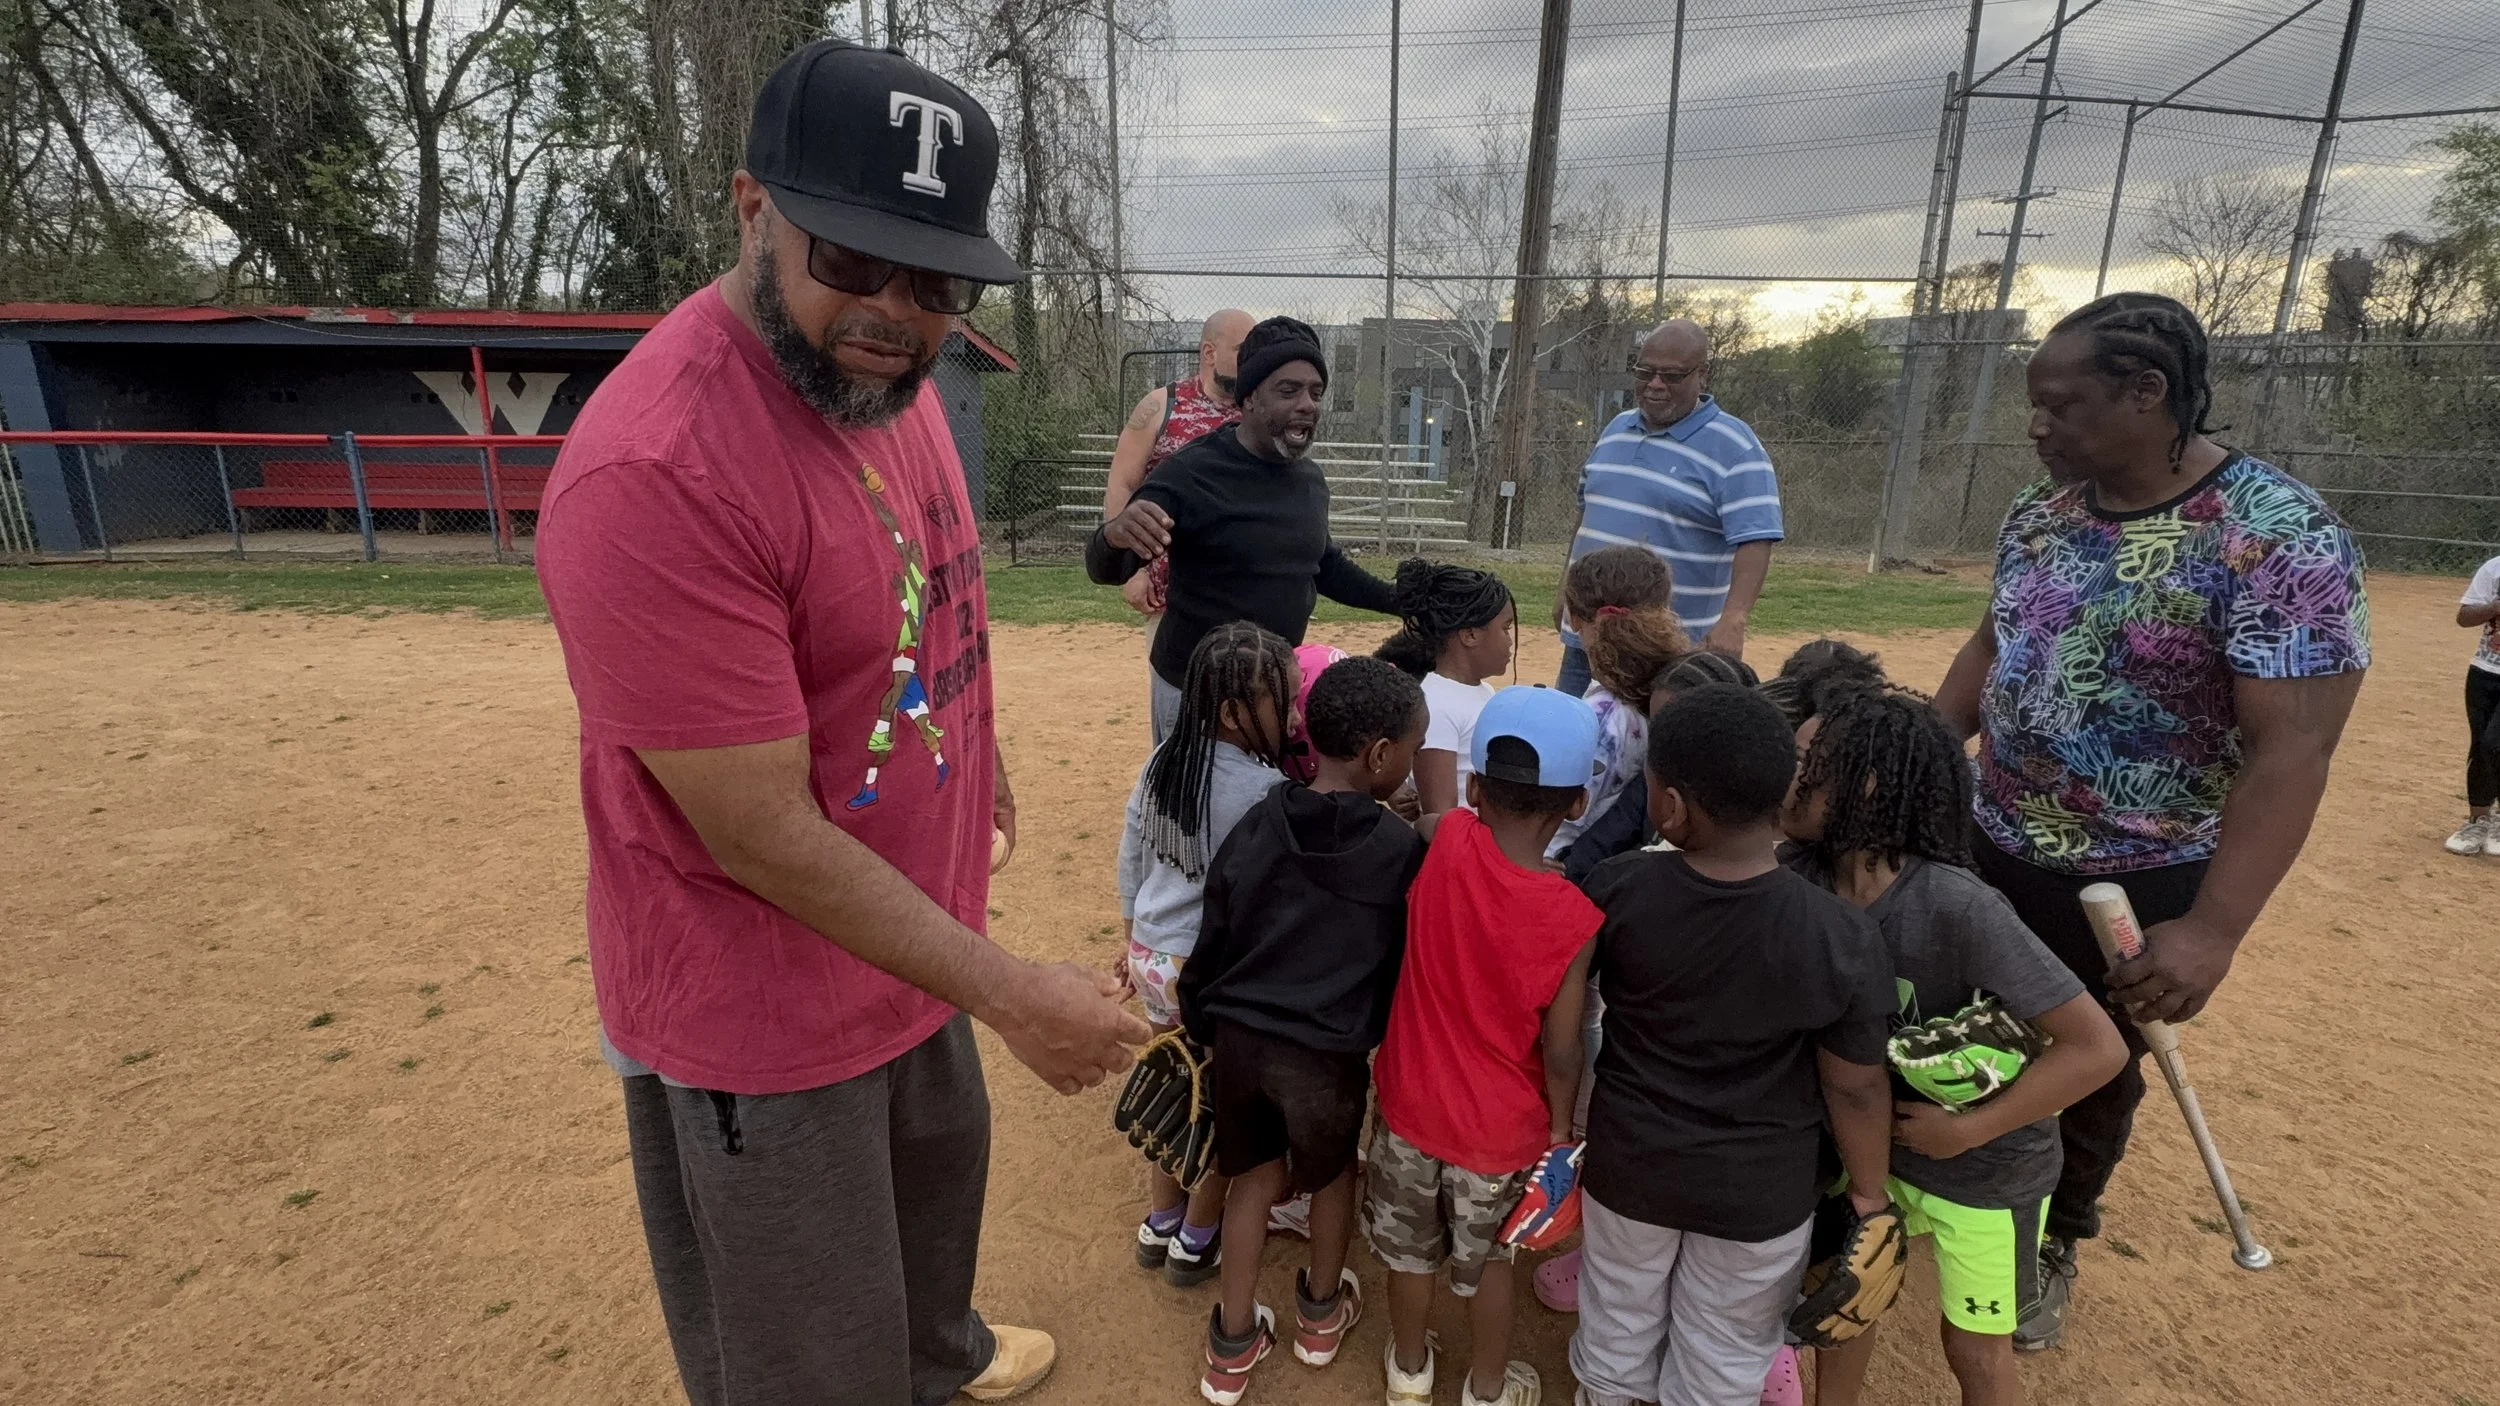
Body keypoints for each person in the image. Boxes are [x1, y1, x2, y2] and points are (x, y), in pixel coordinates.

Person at [535, 40, 1145, 1405]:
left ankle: (942, 1356)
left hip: (910, 949)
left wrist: (973, 770)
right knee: (810, 1352)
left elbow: (930, 601)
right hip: (766, 1010)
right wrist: (1009, 996)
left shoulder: (885, 378)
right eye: (854, 261)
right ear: (754, 212)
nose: (893, 310)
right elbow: (754, 832)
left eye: (934, 280)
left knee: (930, 1243)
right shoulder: (660, 467)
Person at [1933, 292, 2370, 1350]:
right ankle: (1950, 1199)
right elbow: (1993, 647)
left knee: (2088, 1068)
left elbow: (2293, 747)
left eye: (2058, 404)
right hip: (1990, 843)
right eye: (2032, 406)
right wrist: (1919, 762)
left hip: (2138, 878)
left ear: (2146, 392)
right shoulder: (2042, 511)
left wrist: (2212, 928)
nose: (2036, 426)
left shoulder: (2277, 537)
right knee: (1954, 1039)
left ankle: (2054, 1234)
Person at [1781, 690, 2129, 1406]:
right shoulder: (1796, 878)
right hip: (1869, 1153)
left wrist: (1965, 1129)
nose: (1787, 777)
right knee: (1849, 1306)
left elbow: (2097, 1050)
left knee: (1973, 1348)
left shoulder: (1957, 907)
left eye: (1806, 763)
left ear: (1869, 786)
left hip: (1988, 1171)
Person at [1570, 684, 1896, 1406]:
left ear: (1672, 806)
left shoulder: (1617, 890)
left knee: (1618, 1323)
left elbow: (1568, 1017)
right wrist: (1871, 1194)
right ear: (1781, 794)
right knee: (1725, 1356)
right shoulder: (1841, 934)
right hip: (1762, 1194)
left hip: (1632, 1170)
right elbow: (1855, 1085)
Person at [1180, 656, 1432, 1405]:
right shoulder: (1399, 852)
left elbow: (1214, 928)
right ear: (1382, 755)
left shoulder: (1259, 820)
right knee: (1331, 1174)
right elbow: (1399, 961)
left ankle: (1232, 1344)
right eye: (1412, 753)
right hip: (1327, 1054)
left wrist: (1201, 1021)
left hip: (1242, 1041)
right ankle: (1320, 1315)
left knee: (1252, 1179)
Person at [1369, 686, 1606, 1406]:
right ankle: (1489, 1387)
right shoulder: (1575, 916)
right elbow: (1563, 1051)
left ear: (1475, 786)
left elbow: (1431, 825)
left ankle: (1409, 1369)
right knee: (1488, 1268)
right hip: (1501, 1134)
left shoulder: (1446, 840)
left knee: (1410, 1258)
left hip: (1409, 1106)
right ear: (1578, 805)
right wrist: (1561, 1129)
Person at [1086, 316, 1400, 742]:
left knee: (1258, 805)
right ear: (1249, 398)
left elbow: (1321, 564)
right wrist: (1113, 535)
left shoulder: (1309, 481)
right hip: (1193, 692)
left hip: (1270, 692)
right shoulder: (1193, 471)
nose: (1307, 403)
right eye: (1288, 390)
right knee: (1190, 809)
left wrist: (1398, 600)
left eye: (1315, 392)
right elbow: (1108, 566)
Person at [1119, 623, 1300, 1287]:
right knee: (1220, 1104)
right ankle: (1197, 1238)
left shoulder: (1164, 760)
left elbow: (1132, 853)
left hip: (1153, 959)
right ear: (1233, 713)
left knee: (1172, 1079)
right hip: (1210, 976)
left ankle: (1158, 1220)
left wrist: (1127, 933)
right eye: (1286, 701)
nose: (1296, 714)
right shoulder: (1264, 793)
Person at [1556, 319, 1783, 695]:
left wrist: (1734, 619)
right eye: (1645, 372)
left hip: (1666, 653)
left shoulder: (1735, 447)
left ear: (1702, 375)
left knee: (1652, 751)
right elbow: (1587, 515)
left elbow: (1755, 539)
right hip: (1587, 641)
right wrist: (1565, 588)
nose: (1655, 384)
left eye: (1672, 375)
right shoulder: (1616, 429)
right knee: (1573, 743)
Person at [1104, 309, 1257, 636]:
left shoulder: (1258, 413)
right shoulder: (1161, 406)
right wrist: (1130, 570)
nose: (1251, 360)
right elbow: (1123, 482)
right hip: (1173, 601)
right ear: (1209, 353)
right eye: (1242, 350)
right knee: (1174, 687)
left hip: (1245, 597)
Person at [1548, 545, 1691, 862]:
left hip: (1566, 864)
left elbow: (1565, 820)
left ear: (1573, 617)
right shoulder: (1668, 688)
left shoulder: (1599, 717)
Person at [1375, 558, 1518, 818]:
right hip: (1460, 852)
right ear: (1470, 635)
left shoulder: (1483, 690)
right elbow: (1442, 816)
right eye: (1505, 629)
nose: (1510, 641)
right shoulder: (1436, 705)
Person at [2446, 552, 2500, 854]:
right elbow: (2464, 617)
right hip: (2485, 671)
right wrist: (2494, 606)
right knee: (2480, 746)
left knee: (2496, 743)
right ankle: (2478, 821)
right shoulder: (2494, 568)